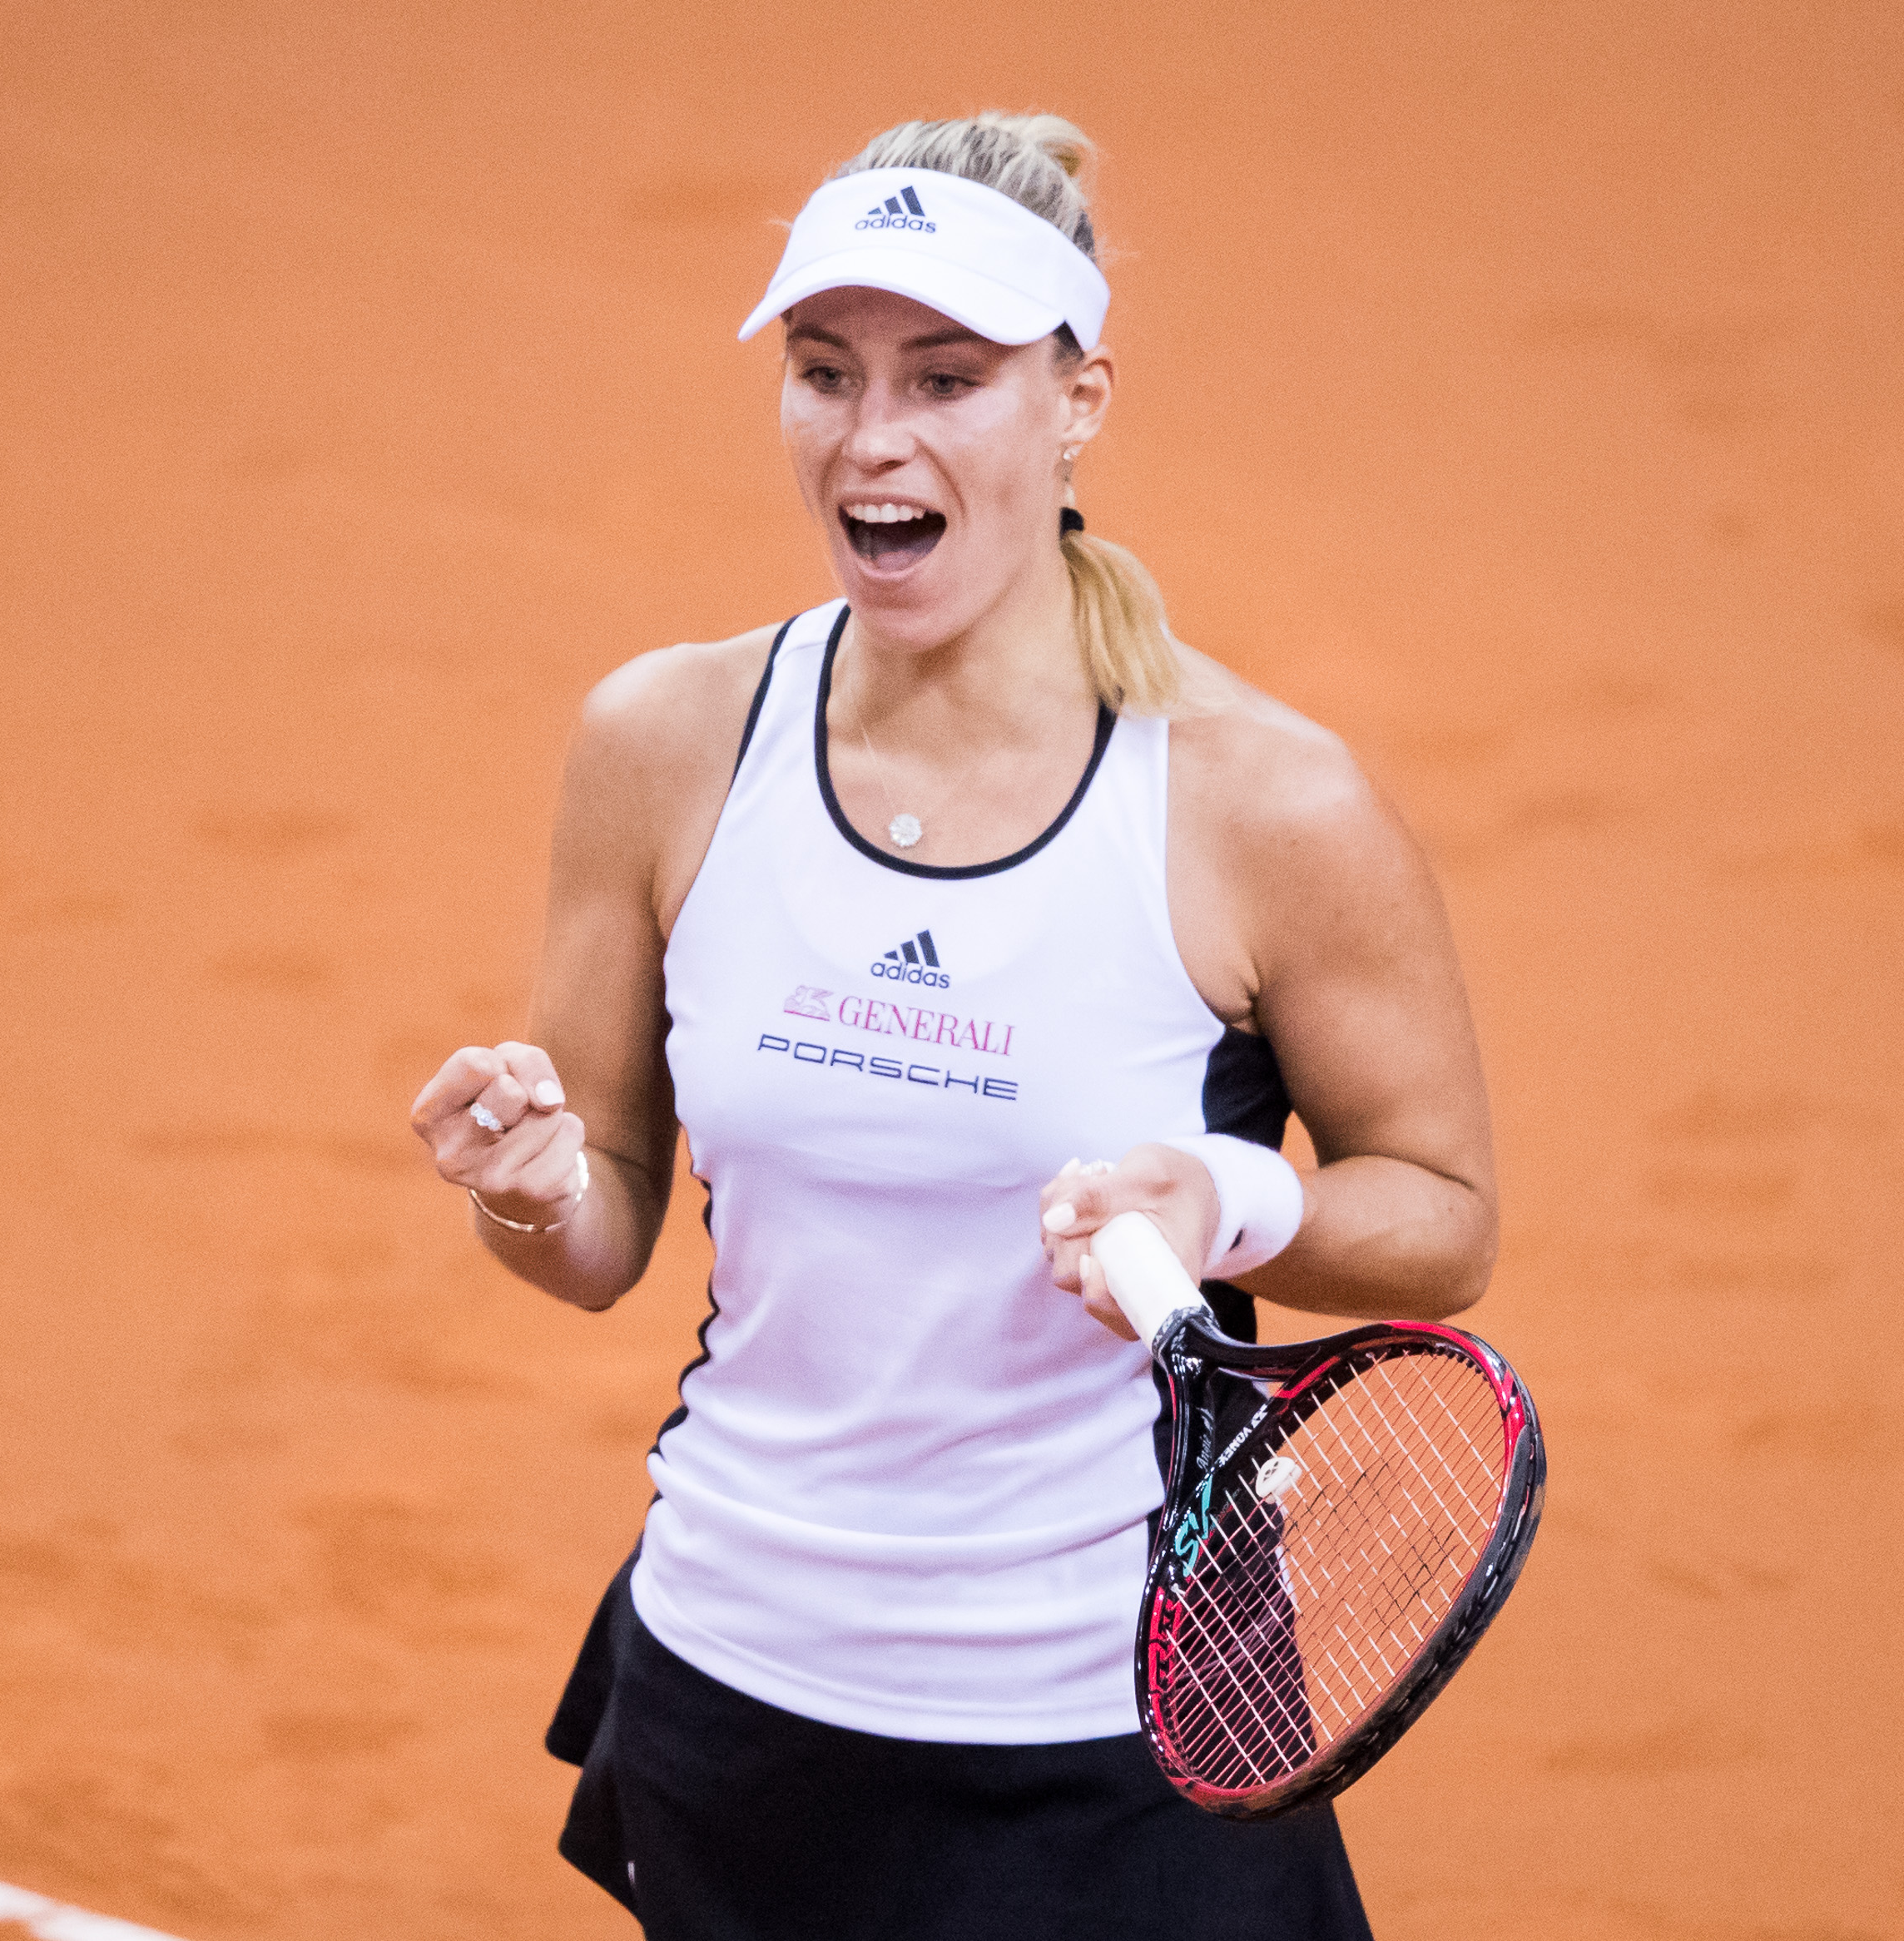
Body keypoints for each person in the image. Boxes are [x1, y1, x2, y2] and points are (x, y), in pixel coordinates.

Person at [405, 113, 1495, 1939]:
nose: (870, 435)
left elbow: (1442, 1214)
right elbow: (595, 1234)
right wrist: (524, 1187)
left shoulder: (1259, 807)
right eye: (823, 374)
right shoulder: (667, 744)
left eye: (947, 376)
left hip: (1121, 1735)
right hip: (739, 1693)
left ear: (1078, 401)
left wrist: (1227, 1202)